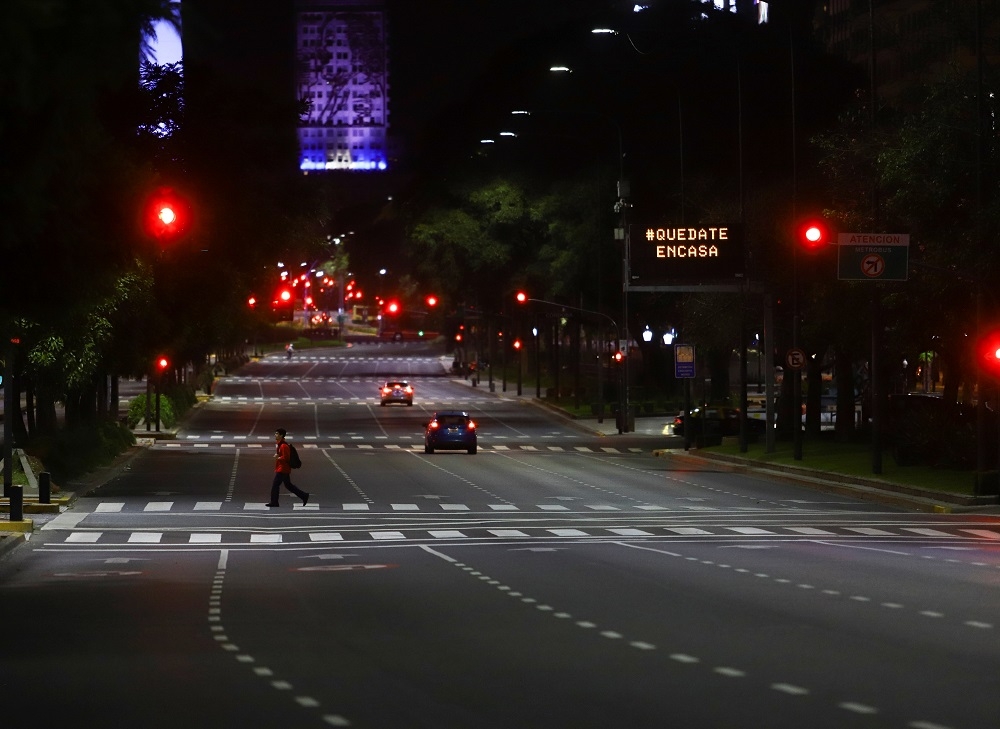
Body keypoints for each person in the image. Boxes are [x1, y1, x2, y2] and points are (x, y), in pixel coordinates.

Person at [266, 428, 309, 507]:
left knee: (275, 485)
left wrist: (278, 458)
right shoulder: (280, 444)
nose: (275, 435)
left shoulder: (283, 446)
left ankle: (274, 502)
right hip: (282, 468)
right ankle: (304, 496)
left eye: (277, 434)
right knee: (288, 485)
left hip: (283, 469)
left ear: (281, 435)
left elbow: (286, 458)